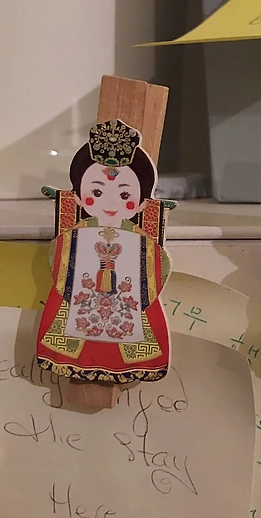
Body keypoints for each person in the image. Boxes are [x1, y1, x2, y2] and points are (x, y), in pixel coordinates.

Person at [36, 119, 172, 383]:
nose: (110, 202)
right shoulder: (73, 236)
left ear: (142, 203)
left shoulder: (143, 241)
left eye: (124, 195)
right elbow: (56, 260)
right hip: (80, 301)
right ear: (77, 196)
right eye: (97, 192)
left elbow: (160, 268)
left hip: (127, 304)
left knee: (133, 324)